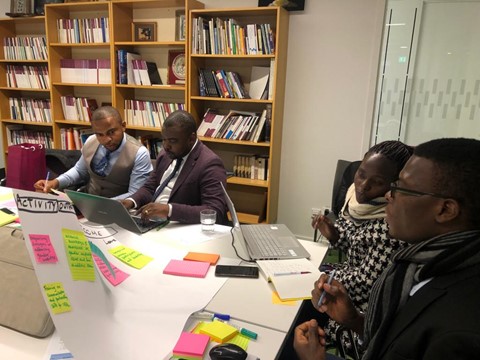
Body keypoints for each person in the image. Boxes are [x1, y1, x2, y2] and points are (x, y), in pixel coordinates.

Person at [294, 137, 480, 360]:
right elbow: (394, 335)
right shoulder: (418, 265)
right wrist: (353, 318)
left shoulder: (460, 331)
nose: (389, 196)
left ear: (446, 210)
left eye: (401, 188)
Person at [308, 141, 413, 346]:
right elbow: (357, 246)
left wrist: (320, 277)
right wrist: (335, 236)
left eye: (378, 182)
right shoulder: (360, 203)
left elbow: (363, 285)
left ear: (394, 187)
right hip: (341, 293)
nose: (363, 186)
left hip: (355, 317)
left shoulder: (391, 227)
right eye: (361, 174)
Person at [121, 110, 228, 224]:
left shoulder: (209, 163)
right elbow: (150, 187)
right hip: (152, 220)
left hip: (180, 226)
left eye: (172, 141)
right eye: (164, 139)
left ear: (191, 139)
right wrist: (131, 201)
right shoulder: (166, 154)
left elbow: (215, 211)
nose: (166, 146)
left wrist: (169, 210)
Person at [33, 106, 153, 200]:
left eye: (111, 132)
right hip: (87, 200)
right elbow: (79, 171)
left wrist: (101, 205)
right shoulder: (91, 141)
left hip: (119, 207)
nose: (106, 139)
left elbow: (135, 194)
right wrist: (55, 183)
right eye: (100, 134)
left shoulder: (139, 153)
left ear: (123, 126)